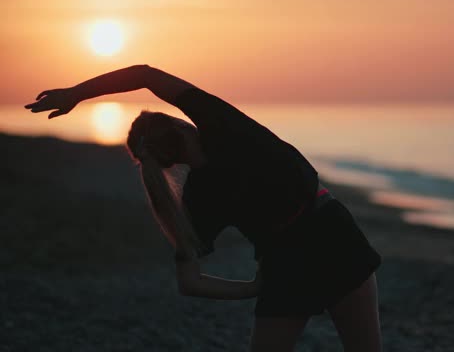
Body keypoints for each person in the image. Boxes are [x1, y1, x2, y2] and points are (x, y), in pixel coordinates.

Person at [24, 65, 383, 351]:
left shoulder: (195, 200)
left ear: (165, 165)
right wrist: (76, 94)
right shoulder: (220, 124)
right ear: (180, 124)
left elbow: (189, 282)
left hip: (283, 261)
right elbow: (145, 74)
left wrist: (253, 288)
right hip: (331, 235)